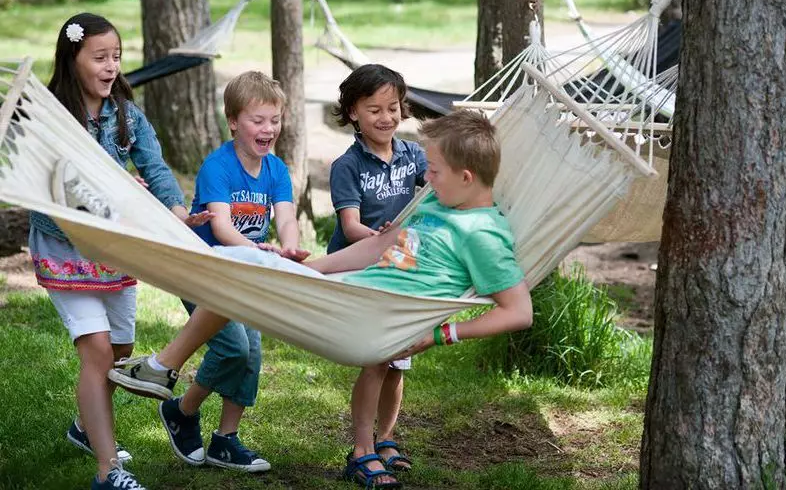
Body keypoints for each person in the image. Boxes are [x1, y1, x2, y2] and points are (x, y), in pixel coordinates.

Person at [108, 110, 532, 489]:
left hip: (375, 318)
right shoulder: (438, 205)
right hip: (354, 298)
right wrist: (310, 272)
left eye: (434, 171)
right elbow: (379, 248)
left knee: (242, 271)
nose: (427, 179)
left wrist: (440, 335)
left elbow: (517, 311)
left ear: (466, 178)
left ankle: (162, 366)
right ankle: (165, 367)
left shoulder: (483, 235)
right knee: (240, 272)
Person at [33, 13, 212, 490]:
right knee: (96, 353)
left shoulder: (127, 115)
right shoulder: (51, 119)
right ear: (72, 59)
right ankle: (108, 471)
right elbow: (50, 186)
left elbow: (155, 169)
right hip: (65, 248)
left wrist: (176, 213)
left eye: (116, 56)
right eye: (100, 57)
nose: (111, 66)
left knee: (119, 351)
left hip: (114, 250)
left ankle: (85, 426)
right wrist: (111, 203)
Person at [150, 71, 306, 473]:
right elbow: (220, 227)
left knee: (250, 356)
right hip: (203, 270)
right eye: (258, 120)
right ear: (233, 122)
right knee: (233, 348)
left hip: (245, 273)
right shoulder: (217, 166)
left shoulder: (276, 170)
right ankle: (182, 410)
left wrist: (288, 248)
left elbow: (286, 218)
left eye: (275, 120)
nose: (268, 129)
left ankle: (225, 441)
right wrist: (260, 254)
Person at [327, 64, 427, 475]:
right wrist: (380, 237)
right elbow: (351, 227)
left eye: (393, 108)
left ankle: (385, 439)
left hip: (402, 268)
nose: (386, 117)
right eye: (374, 110)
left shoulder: (413, 155)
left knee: (396, 362)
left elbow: (440, 192)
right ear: (353, 112)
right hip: (361, 270)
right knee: (376, 361)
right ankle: (361, 450)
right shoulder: (347, 166)